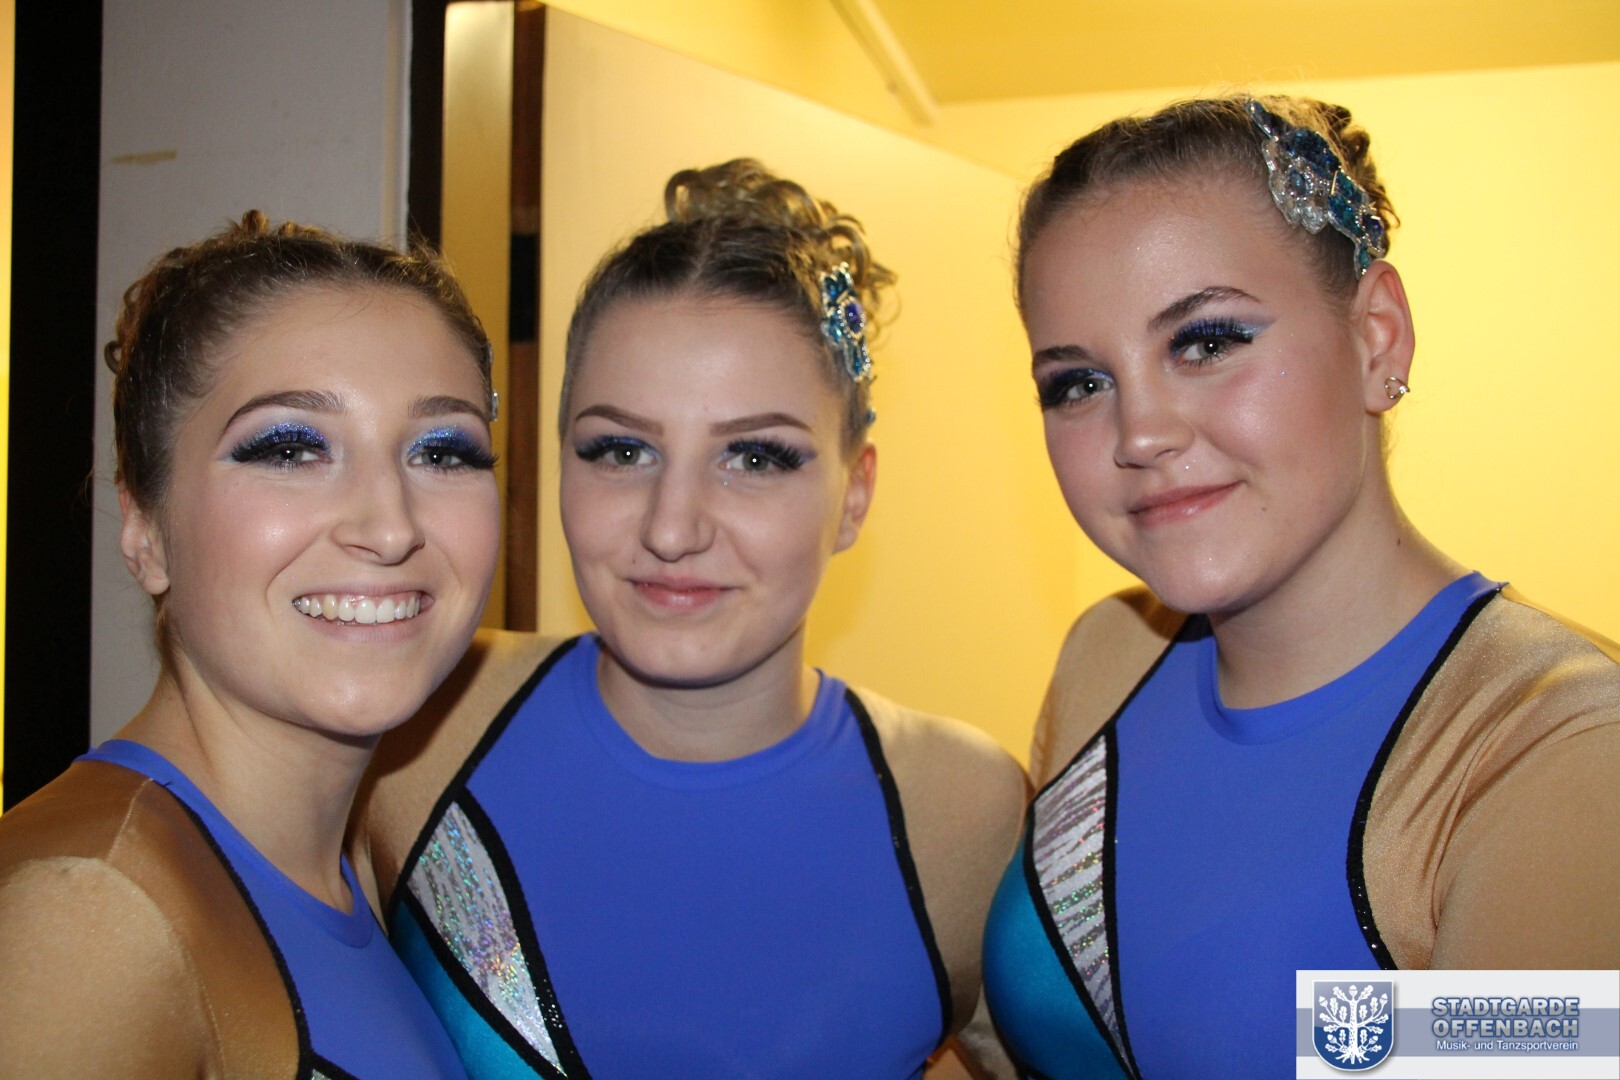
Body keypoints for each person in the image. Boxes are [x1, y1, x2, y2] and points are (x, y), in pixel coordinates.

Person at [980, 96, 1620, 1079]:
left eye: (1206, 341)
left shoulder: (1563, 755)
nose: (1139, 432)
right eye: (1078, 383)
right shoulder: (1107, 654)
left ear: (1377, 339)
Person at [353, 159, 1027, 1079]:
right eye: (620, 450)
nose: (672, 529)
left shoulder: (964, 810)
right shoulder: (414, 726)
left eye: (755, 458)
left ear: (855, 495)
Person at [0, 213, 501, 1077]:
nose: (390, 528)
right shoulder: (89, 913)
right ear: (144, 530)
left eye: (442, 452)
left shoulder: (363, 864)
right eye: (291, 448)